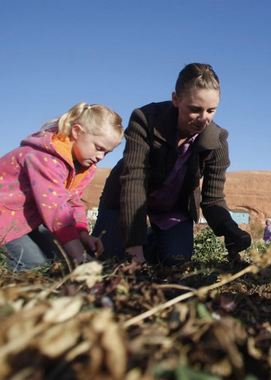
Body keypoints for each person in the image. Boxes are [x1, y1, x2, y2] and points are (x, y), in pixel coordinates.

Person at [93, 63, 251, 266]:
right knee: (111, 261)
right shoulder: (145, 120)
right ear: (176, 99)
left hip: (173, 209)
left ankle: (152, 240)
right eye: (195, 109)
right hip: (125, 201)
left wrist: (230, 229)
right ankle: (138, 240)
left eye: (211, 110)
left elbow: (212, 199)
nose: (204, 119)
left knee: (175, 263)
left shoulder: (216, 141)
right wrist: (134, 249)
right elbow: (134, 181)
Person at [0, 103, 124, 270]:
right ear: (77, 131)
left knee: (60, 259)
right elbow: (56, 210)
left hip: (28, 220)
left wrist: (82, 234)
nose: (100, 157)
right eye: (99, 148)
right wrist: (80, 256)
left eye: (107, 153)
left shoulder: (84, 168)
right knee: (35, 265)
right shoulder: (43, 159)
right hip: (5, 216)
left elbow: (73, 202)